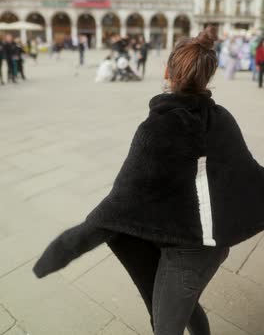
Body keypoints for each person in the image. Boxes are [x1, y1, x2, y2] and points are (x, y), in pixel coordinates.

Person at [33, 26, 264, 335]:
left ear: (165, 70)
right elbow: (248, 173)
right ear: (208, 76)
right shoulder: (222, 118)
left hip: (185, 251)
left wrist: (67, 246)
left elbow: (122, 202)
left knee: (166, 326)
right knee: (188, 304)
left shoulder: (158, 128)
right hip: (213, 248)